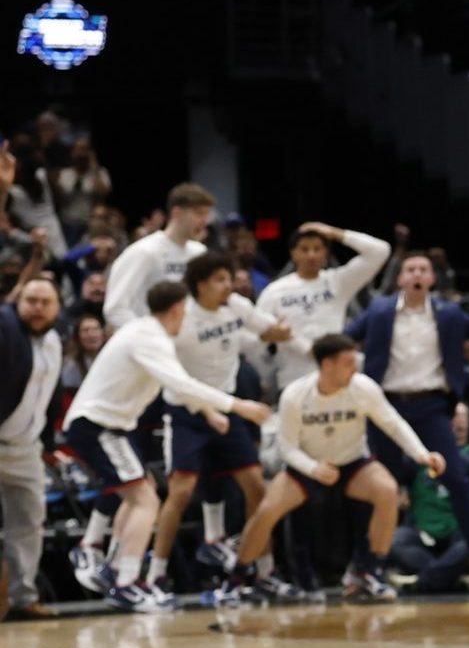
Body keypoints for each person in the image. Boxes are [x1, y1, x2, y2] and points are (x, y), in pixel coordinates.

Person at [62, 281, 273, 611]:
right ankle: (125, 581)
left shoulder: (143, 333)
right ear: (177, 310)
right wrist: (239, 406)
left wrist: (210, 412)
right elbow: (182, 384)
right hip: (98, 425)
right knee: (145, 500)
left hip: (105, 426)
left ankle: (116, 569)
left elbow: (180, 388)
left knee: (140, 493)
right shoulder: (150, 337)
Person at [225, 335, 445, 603]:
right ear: (327, 365)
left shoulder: (363, 388)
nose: (355, 368)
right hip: (307, 466)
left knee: (387, 491)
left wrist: (422, 453)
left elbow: (393, 424)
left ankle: (368, 571)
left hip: (352, 464)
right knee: (267, 511)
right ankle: (236, 579)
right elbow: (287, 448)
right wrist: (313, 468)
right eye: (348, 362)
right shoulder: (295, 395)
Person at [346, 253, 469, 591]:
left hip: (432, 406)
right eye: (410, 269)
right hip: (387, 408)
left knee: (457, 479)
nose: (417, 274)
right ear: (400, 279)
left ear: (433, 279)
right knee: (380, 486)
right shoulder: (379, 311)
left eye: (423, 269)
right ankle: (364, 567)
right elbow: (344, 337)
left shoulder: (450, 313)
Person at [147, 252, 293, 595]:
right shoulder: (182, 318)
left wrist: (282, 331)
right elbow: (173, 376)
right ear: (201, 285)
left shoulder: (237, 306)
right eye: (221, 280)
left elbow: (269, 331)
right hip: (188, 412)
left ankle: (263, 571)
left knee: (257, 487)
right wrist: (207, 410)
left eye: (229, 278)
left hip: (228, 409)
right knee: (180, 493)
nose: (230, 285)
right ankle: (154, 575)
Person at [255, 222, 393, 389]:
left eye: (317, 248)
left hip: (337, 377)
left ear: (326, 253)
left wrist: (334, 233)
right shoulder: (275, 291)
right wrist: (267, 336)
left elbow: (380, 251)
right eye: (304, 249)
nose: (311, 255)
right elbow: (254, 335)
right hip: (294, 379)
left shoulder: (338, 282)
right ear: (293, 253)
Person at [0, 278, 62, 619]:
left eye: (45, 302)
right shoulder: (7, 330)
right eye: (31, 301)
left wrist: (48, 444)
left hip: (27, 448)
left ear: (57, 307)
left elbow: (49, 396)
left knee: (29, 523)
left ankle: (23, 598)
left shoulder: (53, 341)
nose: (37, 308)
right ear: (16, 303)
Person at [391, 402, 469, 592]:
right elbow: (396, 471)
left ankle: (425, 581)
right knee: (393, 539)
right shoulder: (421, 457)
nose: (455, 423)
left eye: (459, 420)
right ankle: (447, 575)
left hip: (459, 532)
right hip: (422, 531)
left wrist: (446, 451)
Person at [102, 182, 214, 331]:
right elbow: (115, 309)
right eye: (199, 213)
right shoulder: (144, 251)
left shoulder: (200, 253)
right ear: (177, 213)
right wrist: (152, 337)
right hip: (153, 345)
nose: (204, 221)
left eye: (206, 215)